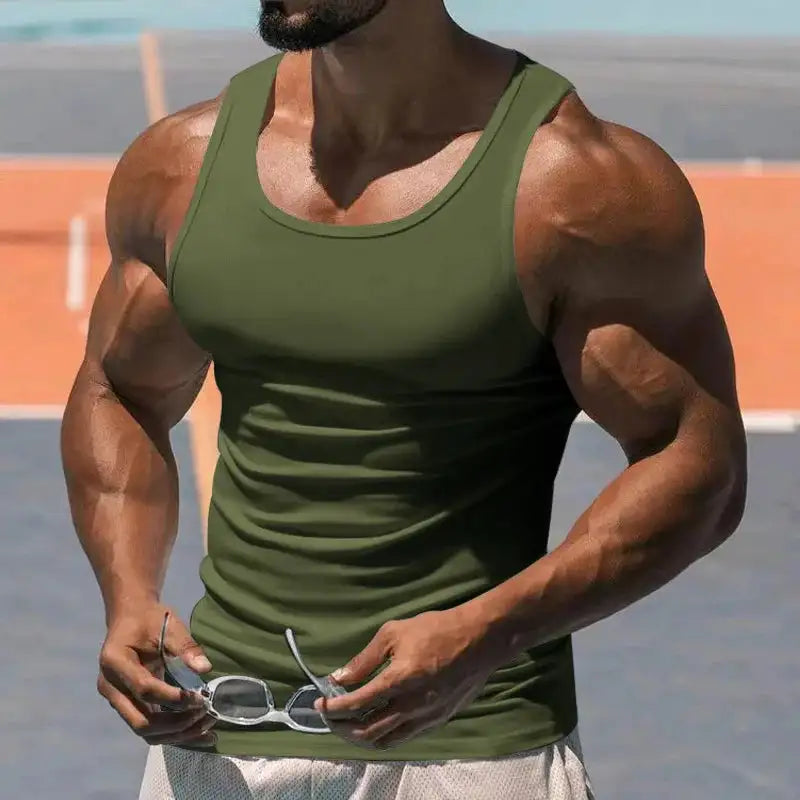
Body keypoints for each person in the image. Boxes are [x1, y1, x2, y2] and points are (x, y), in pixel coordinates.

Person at [61, 1, 748, 798]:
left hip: (472, 753)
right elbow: (120, 391)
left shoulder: (576, 184)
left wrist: (491, 632)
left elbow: (698, 465)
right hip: (215, 742)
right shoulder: (180, 165)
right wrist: (129, 595)